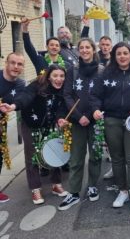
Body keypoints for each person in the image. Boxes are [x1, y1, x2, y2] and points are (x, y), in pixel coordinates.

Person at [91, 42, 130, 217]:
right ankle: (123, 191)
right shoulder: (106, 75)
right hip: (111, 120)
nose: (122, 56)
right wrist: (95, 109)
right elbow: (95, 95)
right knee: (117, 159)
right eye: (119, 53)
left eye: (125, 53)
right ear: (114, 56)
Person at [2, 64, 68, 204]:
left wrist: (61, 118)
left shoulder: (63, 89)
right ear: (48, 76)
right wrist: (13, 106)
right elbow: (25, 97)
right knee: (32, 155)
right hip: (30, 124)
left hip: (49, 124)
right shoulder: (37, 85)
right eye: (55, 76)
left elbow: (62, 107)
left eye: (62, 76)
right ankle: (36, 189)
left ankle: (56, 185)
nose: (59, 79)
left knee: (55, 151)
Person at [58, 38, 104, 211]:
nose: (84, 50)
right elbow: (67, 95)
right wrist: (78, 117)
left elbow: (103, 96)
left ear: (93, 49)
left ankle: (92, 185)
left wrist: (92, 116)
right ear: (78, 51)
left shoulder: (101, 71)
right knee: (76, 158)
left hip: (95, 121)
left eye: (87, 47)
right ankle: (74, 192)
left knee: (95, 155)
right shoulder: (72, 70)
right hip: (77, 121)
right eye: (81, 48)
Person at [0, 52, 26, 203]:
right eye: (13, 63)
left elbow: (21, 101)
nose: (16, 67)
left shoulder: (21, 85)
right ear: (7, 63)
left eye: (20, 64)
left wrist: (12, 107)